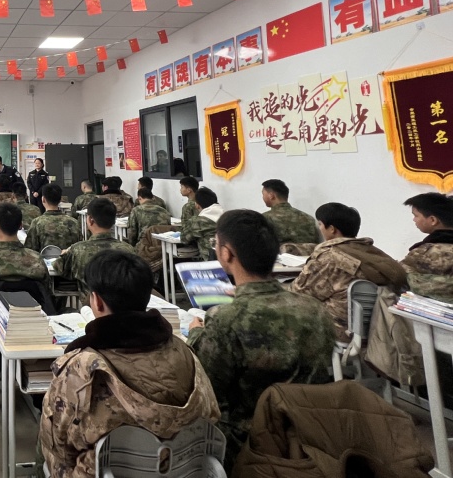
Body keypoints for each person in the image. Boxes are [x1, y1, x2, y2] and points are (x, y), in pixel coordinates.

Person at [40, 251, 219, 478]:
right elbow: (211, 416)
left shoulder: (82, 369)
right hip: (182, 470)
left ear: (96, 301)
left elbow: (58, 444)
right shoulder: (184, 352)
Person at [188, 209, 335, 470]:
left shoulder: (226, 319)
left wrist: (197, 333)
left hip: (248, 444)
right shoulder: (316, 310)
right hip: (312, 434)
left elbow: (208, 389)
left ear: (226, 253)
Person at [291, 202, 407, 342]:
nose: (319, 229)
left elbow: (299, 293)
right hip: (379, 330)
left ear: (332, 229)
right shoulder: (372, 253)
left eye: (320, 224)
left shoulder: (329, 257)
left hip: (339, 329)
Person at [55, 198, 136, 305]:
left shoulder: (78, 250)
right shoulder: (128, 250)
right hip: (124, 307)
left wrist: (64, 254)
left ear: (90, 220)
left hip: (92, 307)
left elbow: (58, 268)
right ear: (113, 221)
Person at [400, 193, 453, 302]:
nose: (414, 220)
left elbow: (397, 276)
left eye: (416, 216)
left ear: (433, 220)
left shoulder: (424, 252)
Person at [260, 179, 319, 245]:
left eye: (263, 194)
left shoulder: (263, 219)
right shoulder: (309, 218)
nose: (263, 197)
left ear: (271, 195)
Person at [25, 184, 81, 253]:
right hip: (68, 259)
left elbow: (30, 250)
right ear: (60, 200)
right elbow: (79, 248)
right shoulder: (74, 222)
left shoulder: (36, 223)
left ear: (43, 199)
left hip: (43, 260)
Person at [181, 186, 223, 259]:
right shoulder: (228, 218)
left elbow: (184, 239)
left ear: (197, 205)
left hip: (208, 260)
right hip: (229, 260)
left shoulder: (196, 221)